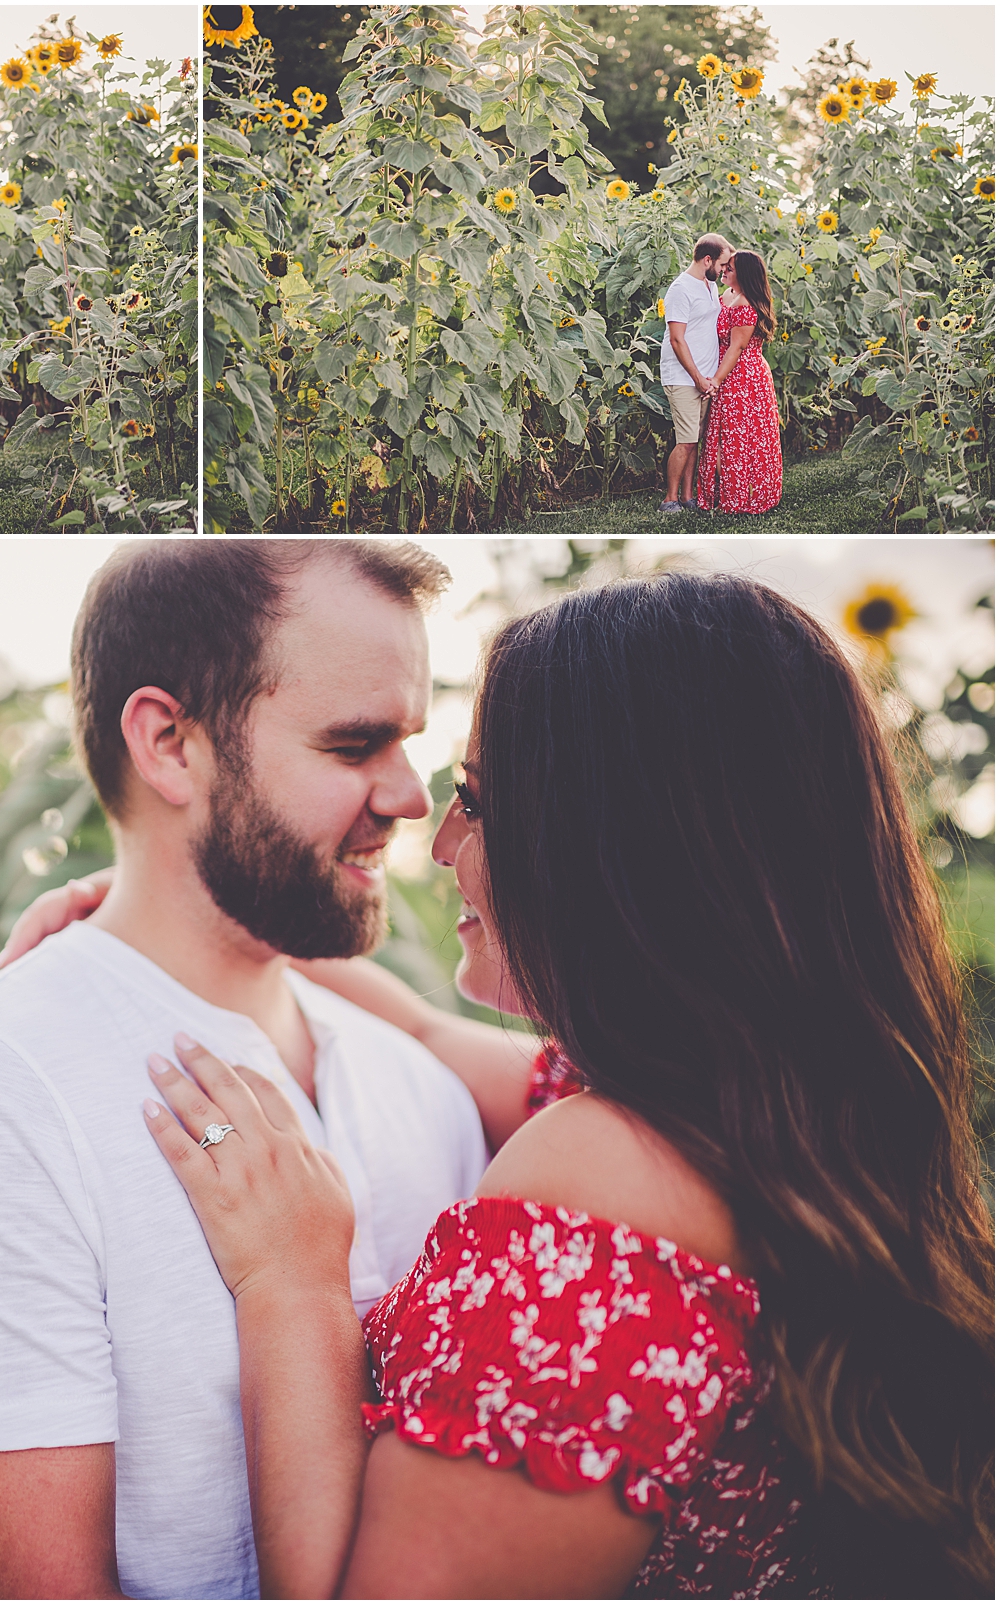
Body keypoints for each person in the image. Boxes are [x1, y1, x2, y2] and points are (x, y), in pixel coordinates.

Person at [135, 572, 993, 1598]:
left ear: (621, 845)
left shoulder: (596, 1176)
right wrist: (171, 902)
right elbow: (424, 1027)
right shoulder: (775, 1113)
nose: (444, 843)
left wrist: (293, 1285)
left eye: (479, 803)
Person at [0, 542, 536, 1598]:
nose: (406, 797)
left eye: (407, 742)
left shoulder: (424, 1084)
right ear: (170, 744)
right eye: (355, 745)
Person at [696, 248, 784, 514]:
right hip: (730, 373)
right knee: (725, 434)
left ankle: (741, 497)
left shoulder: (746, 305)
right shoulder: (728, 295)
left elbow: (736, 347)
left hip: (744, 377)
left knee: (740, 437)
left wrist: (715, 381)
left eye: (730, 268)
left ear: (742, 275)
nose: (724, 270)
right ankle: (726, 494)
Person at [657, 233, 731, 514]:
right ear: (707, 259)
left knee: (694, 439)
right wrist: (699, 378)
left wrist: (709, 378)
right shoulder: (681, 289)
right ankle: (669, 499)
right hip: (684, 377)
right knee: (686, 440)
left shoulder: (708, 284)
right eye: (722, 265)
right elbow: (677, 339)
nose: (724, 270)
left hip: (704, 379)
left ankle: (688, 497)